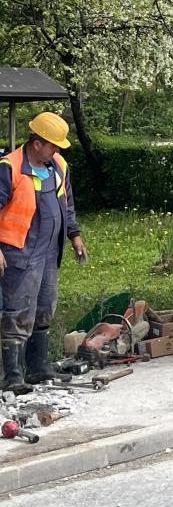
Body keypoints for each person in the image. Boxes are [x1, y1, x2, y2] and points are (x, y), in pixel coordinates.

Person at [0, 113, 88, 393]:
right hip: (19, 251)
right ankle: (13, 376)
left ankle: (38, 368)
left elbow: (67, 204)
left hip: (50, 250)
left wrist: (74, 235)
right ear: (36, 143)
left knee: (44, 306)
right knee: (18, 310)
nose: (57, 150)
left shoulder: (59, 165)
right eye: (52, 145)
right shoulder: (9, 168)